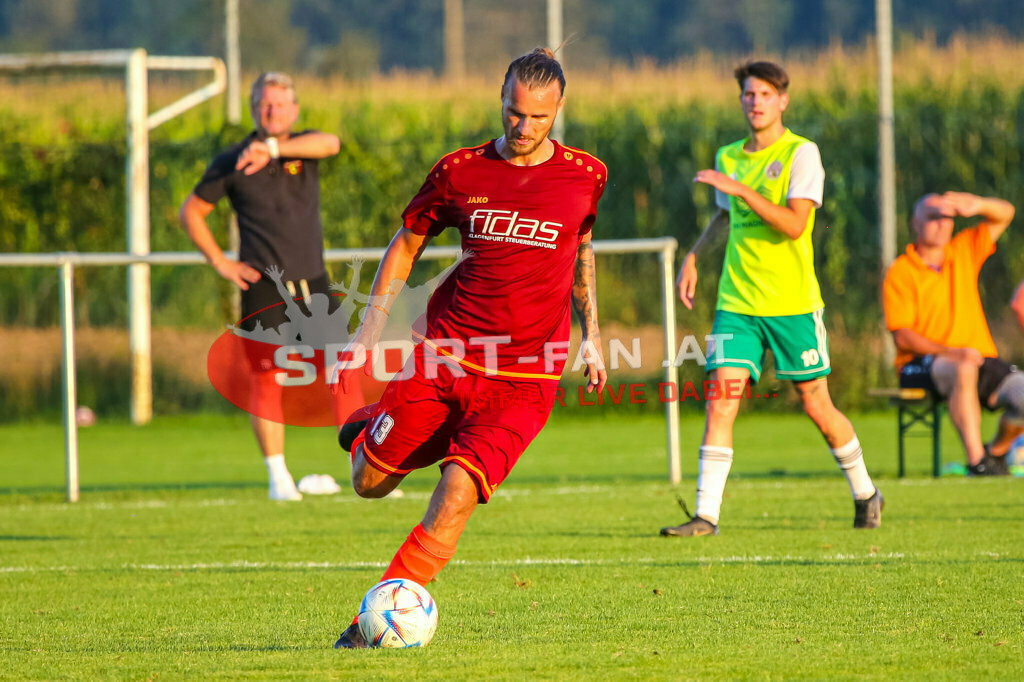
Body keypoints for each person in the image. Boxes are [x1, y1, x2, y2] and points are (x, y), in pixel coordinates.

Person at [331, 48, 608, 648]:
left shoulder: (587, 175)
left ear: (559, 108)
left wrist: (593, 338)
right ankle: (372, 428)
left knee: (458, 489)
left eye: (537, 117)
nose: (523, 127)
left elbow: (581, 252)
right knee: (367, 481)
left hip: (524, 382)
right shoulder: (459, 172)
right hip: (445, 359)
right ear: (501, 99)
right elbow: (405, 245)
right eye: (513, 112)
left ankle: (373, 623)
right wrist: (369, 331)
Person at [661, 61, 883, 538]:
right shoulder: (729, 156)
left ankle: (866, 492)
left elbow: (795, 224)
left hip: (793, 305)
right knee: (722, 399)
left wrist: (741, 189)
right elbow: (725, 216)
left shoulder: (802, 153)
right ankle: (706, 515)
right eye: (748, 94)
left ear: (783, 100)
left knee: (815, 405)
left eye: (765, 94)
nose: (756, 102)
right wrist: (695, 256)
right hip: (738, 303)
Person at [178, 72, 341, 500]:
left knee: (344, 373)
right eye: (265, 105)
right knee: (267, 381)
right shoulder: (231, 161)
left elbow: (332, 143)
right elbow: (191, 213)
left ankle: (368, 465)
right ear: (254, 109)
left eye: (281, 105)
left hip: (314, 284)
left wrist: (272, 148)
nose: (273, 112)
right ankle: (278, 478)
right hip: (264, 287)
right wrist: (221, 262)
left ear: (295, 110)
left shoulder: (303, 147)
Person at [882, 191, 1021, 475]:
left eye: (947, 218)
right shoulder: (902, 271)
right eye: (933, 217)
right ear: (915, 224)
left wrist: (976, 205)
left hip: (977, 358)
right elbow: (902, 336)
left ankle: (994, 453)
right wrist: (953, 353)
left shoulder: (963, 251)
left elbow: (1006, 213)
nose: (942, 224)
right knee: (963, 368)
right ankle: (976, 462)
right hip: (920, 364)